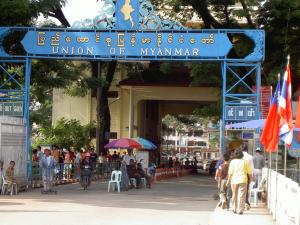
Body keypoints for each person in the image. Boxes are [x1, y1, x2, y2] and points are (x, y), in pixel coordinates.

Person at [227, 150, 252, 215]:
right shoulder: (245, 162)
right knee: (242, 195)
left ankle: (234, 208)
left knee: (234, 194)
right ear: (242, 155)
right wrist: (251, 179)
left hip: (234, 180)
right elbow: (249, 172)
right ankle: (240, 210)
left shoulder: (232, 162)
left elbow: (230, 172)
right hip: (243, 179)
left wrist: (228, 180)